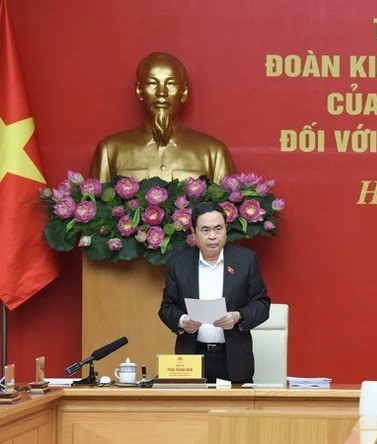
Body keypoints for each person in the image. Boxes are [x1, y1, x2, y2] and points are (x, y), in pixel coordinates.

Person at [158, 202, 270, 383]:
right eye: (205, 230)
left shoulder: (245, 260)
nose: (212, 236)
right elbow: (167, 307)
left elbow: (262, 304)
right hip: (191, 357)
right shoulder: (178, 263)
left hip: (233, 358)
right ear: (193, 234)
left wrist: (238, 317)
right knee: (192, 411)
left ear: (226, 230)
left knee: (235, 410)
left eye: (218, 229)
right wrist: (183, 321)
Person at [90, 52, 234, 183]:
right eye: (153, 83)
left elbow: (228, 209)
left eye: (170, 83)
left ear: (183, 92)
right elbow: (94, 207)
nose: (161, 93)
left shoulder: (214, 153)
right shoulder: (110, 151)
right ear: (139, 90)